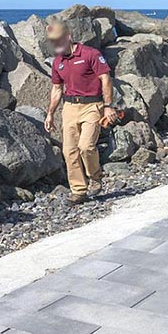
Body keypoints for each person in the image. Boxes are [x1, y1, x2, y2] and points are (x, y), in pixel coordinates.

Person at [43, 20, 118, 204]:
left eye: (58, 40)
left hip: (92, 105)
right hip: (69, 107)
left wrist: (108, 106)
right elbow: (57, 89)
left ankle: (95, 177)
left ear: (68, 37)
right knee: (69, 151)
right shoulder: (58, 62)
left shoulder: (90, 54)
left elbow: (105, 79)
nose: (56, 44)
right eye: (53, 41)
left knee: (86, 146)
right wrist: (50, 114)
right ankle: (78, 191)